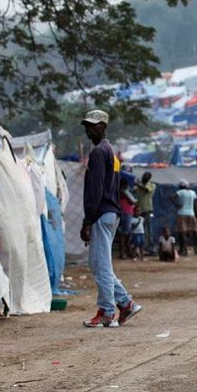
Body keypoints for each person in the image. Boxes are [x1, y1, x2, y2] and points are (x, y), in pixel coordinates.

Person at [79, 109, 141, 328]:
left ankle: (106, 311)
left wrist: (87, 221)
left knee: (101, 265)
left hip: (101, 213)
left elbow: (95, 190)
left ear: (103, 126)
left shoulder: (98, 153)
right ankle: (125, 303)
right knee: (98, 263)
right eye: (86, 125)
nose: (88, 130)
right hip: (111, 212)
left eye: (92, 125)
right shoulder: (111, 153)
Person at [172, 180, 197, 256]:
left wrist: (176, 205)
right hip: (191, 213)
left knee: (181, 233)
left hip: (181, 213)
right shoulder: (192, 193)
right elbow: (195, 204)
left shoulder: (179, 192)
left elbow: (172, 197)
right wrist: (196, 214)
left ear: (180, 186)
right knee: (195, 232)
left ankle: (183, 250)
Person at [134, 172, 156, 255]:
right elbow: (134, 190)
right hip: (139, 210)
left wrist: (137, 183)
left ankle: (150, 248)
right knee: (139, 230)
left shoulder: (152, 185)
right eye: (144, 176)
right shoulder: (139, 185)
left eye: (146, 177)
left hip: (147, 210)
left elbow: (146, 190)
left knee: (149, 229)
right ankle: (140, 248)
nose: (145, 178)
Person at [117, 178, 137, 260]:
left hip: (126, 212)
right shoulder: (123, 192)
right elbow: (132, 202)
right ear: (125, 185)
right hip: (126, 212)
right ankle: (123, 253)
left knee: (126, 234)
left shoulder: (121, 191)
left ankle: (127, 252)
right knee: (124, 234)